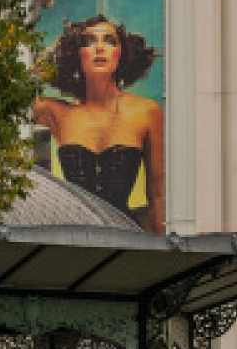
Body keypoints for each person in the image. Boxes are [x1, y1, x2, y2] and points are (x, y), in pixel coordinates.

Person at [34, 14, 165, 233]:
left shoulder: (145, 111)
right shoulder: (57, 112)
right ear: (77, 55)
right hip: (75, 239)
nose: (100, 48)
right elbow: (14, 99)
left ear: (121, 54)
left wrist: (163, 260)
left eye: (109, 41)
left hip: (126, 238)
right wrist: (52, 54)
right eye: (88, 42)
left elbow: (158, 196)